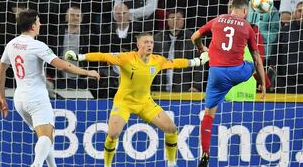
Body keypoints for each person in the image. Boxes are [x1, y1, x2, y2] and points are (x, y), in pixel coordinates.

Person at [64, 32, 209, 167]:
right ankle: (107, 165)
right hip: (124, 103)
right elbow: (103, 56)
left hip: (145, 103)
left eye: (151, 42)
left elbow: (177, 62)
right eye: (146, 42)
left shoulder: (157, 60)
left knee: (171, 129)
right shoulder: (126, 58)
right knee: (113, 134)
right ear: (139, 45)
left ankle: (171, 163)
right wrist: (79, 57)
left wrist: (198, 61)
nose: (150, 45)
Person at [0, 9, 100, 167]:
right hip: (36, 98)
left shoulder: (12, 44)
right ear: (32, 26)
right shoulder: (37, 45)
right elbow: (64, 66)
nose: (40, 24)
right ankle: (36, 165)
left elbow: (1, 68)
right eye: (38, 22)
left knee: (45, 136)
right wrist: (87, 72)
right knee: (46, 137)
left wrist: (2, 96)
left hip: (19, 100)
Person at [191, 0, 266, 167]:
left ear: (231, 7)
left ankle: (205, 153)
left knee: (209, 113)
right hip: (237, 72)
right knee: (252, 65)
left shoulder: (217, 20)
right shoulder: (247, 27)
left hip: (216, 72)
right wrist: (262, 84)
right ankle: (266, 81)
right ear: (245, 10)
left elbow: (194, 36)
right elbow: (256, 57)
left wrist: (202, 48)